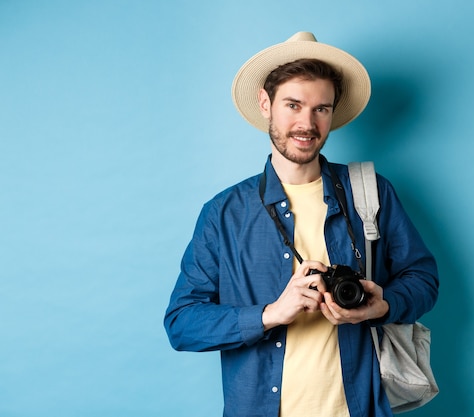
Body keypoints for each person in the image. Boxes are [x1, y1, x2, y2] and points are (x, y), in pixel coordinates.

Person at [164, 32, 438, 417]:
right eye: (293, 105)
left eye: (321, 109)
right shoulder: (224, 213)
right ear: (266, 104)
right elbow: (182, 323)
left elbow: (423, 280)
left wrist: (381, 305)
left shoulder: (370, 192)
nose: (306, 123)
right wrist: (271, 313)